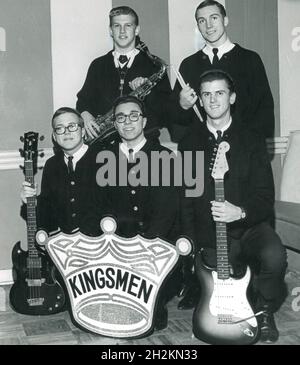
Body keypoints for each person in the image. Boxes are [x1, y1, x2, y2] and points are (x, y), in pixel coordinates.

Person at [178, 70, 287, 343]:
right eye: (206, 94)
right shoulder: (189, 141)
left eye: (220, 92)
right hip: (210, 232)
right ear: (200, 101)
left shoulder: (251, 138)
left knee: (275, 255)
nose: (213, 100)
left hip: (249, 226)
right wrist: (192, 244)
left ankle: (264, 311)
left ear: (232, 97)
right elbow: (187, 198)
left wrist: (239, 212)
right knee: (217, 287)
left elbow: (264, 197)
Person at [88, 95, 180, 332]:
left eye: (133, 116)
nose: (127, 122)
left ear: (144, 121)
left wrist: (145, 250)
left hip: (153, 247)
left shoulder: (165, 158)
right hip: (115, 245)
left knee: (152, 323)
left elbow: (166, 212)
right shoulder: (101, 158)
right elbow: (98, 207)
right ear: (115, 124)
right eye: (120, 117)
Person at [170, 0, 274, 142]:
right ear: (198, 26)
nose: (208, 25)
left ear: (225, 20)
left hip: (243, 150)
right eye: (202, 21)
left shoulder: (250, 59)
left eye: (214, 18)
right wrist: (182, 105)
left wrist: (249, 146)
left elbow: (264, 110)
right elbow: (176, 122)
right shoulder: (189, 65)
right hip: (203, 151)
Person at [76, 6, 171, 143]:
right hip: (104, 145)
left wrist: (148, 93)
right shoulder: (97, 65)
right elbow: (83, 100)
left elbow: (167, 112)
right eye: (116, 26)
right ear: (110, 31)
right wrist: (85, 115)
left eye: (128, 25)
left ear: (137, 30)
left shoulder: (154, 66)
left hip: (144, 143)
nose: (122, 31)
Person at [21, 107, 101, 236]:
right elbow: (48, 214)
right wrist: (33, 202)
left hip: (101, 245)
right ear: (54, 136)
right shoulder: (51, 165)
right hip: (65, 248)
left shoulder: (103, 159)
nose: (66, 132)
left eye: (72, 126)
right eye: (60, 128)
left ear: (83, 131)